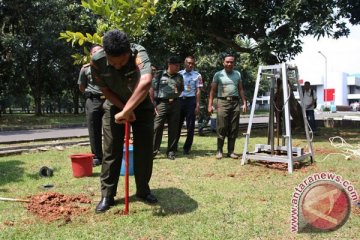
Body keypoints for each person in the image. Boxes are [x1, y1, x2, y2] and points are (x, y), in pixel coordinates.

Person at [90, 29, 157, 213]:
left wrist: (129, 110)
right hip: (114, 105)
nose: (117, 66)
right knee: (111, 150)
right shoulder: (97, 61)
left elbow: (145, 82)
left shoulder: (139, 53)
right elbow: (105, 90)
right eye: (113, 63)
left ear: (128, 53)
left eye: (121, 62)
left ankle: (143, 190)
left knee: (144, 150)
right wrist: (123, 109)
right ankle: (107, 195)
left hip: (141, 106)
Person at [208, 53, 247, 160]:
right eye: (227, 62)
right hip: (222, 102)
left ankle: (231, 151)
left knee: (234, 127)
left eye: (232, 62)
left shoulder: (237, 74)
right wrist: (210, 105)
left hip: (235, 103)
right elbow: (212, 91)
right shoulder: (218, 74)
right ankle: (219, 151)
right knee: (222, 127)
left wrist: (244, 102)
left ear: (234, 63)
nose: (229, 64)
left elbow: (240, 89)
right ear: (223, 63)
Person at [150, 56, 184, 160]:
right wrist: (153, 104)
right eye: (176, 65)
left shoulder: (179, 77)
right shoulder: (159, 74)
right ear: (170, 65)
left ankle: (171, 152)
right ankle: (153, 151)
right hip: (162, 104)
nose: (178, 67)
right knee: (157, 127)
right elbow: (152, 89)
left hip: (175, 104)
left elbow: (181, 89)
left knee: (174, 128)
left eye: (179, 65)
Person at [78, 45, 104, 167]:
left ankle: (111, 155)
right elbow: (81, 86)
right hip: (93, 101)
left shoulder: (109, 67)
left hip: (109, 100)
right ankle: (97, 156)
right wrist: (89, 93)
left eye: (100, 52)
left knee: (111, 129)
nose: (98, 54)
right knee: (94, 130)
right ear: (91, 55)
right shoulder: (85, 69)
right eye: (95, 52)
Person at [175, 56, 203, 154]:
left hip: (191, 101)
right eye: (188, 63)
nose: (190, 65)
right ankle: (173, 146)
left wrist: (198, 104)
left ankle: (187, 148)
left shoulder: (197, 75)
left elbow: (198, 91)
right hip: (179, 101)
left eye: (192, 63)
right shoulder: (178, 74)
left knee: (190, 126)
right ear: (184, 63)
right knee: (177, 125)